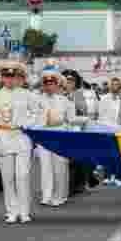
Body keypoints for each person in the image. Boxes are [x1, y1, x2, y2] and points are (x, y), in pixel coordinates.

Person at [0, 62, 35, 224]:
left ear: (17, 78)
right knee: (7, 177)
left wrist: (26, 123)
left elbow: (37, 113)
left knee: (22, 175)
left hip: (22, 137)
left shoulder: (27, 94)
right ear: (2, 78)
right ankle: (11, 211)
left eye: (12, 76)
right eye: (6, 76)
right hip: (4, 136)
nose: (9, 80)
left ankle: (24, 211)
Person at [36, 67, 79, 207]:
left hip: (60, 135)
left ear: (57, 85)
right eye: (46, 84)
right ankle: (46, 195)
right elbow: (33, 118)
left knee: (60, 166)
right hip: (44, 135)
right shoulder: (37, 100)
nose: (49, 86)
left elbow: (72, 119)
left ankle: (60, 196)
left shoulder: (65, 101)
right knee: (45, 166)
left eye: (52, 83)